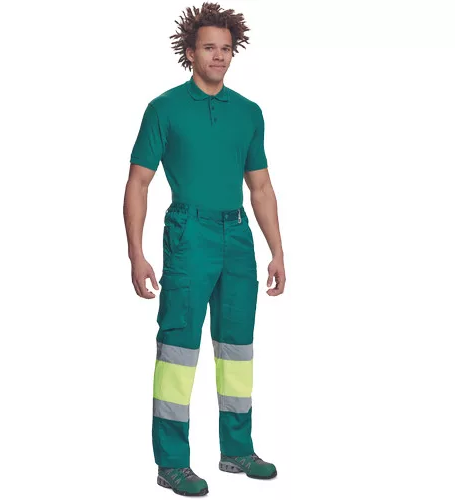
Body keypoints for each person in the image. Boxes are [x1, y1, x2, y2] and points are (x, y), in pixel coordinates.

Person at [124, 2, 286, 496]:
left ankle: (237, 450)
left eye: (226, 49)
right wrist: (136, 254)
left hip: (237, 235)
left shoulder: (249, 112)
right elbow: (138, 183)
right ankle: (172, 462)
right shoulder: (165, 108)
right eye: (209, 48)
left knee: (237, 347)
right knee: (179, 348)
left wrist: (277, 251)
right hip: (188, 233)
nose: (219, 56)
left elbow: (261, 187)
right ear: (190, 52)